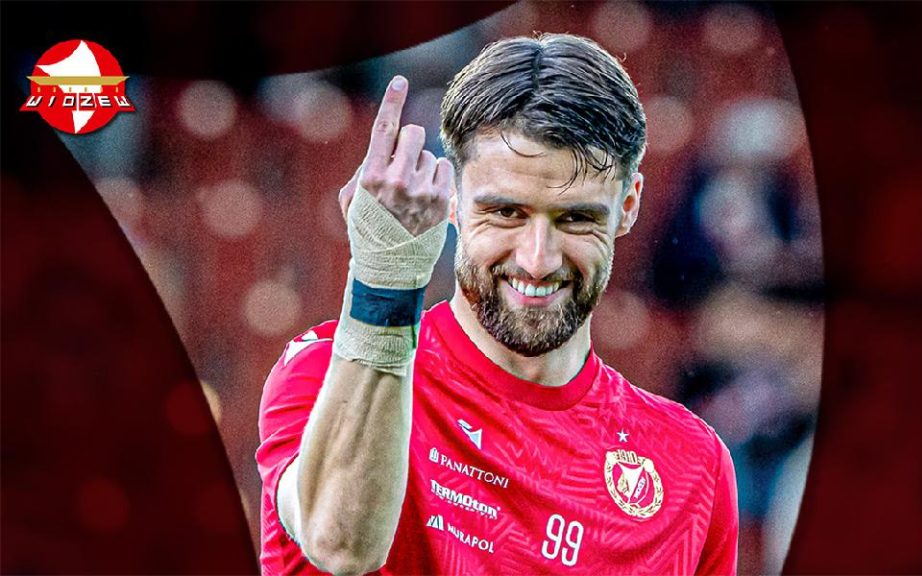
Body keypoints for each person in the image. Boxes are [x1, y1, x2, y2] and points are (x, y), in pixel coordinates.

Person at [256, 33, 738, 575]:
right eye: (506, 213)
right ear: (453, 200)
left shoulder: (691, 468)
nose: (537, 259)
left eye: (576, 218)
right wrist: (385, 282)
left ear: (627, 206)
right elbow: (342, 546)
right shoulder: (327, 375)